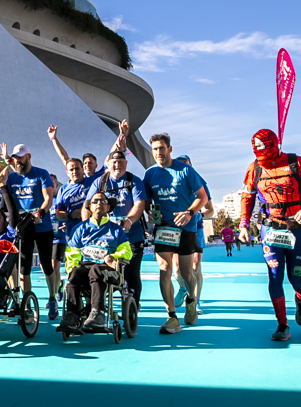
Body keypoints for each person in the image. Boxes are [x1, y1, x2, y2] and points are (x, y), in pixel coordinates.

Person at [237, 128, 301, 341]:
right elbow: (247, 198)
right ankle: (282, 324)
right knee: (275, 276)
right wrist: (244, 224)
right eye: (256, 150)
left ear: (274, 145)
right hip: (270, 229)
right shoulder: (254, 168)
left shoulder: (297, 163)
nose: (261, 155)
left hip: (296, 227)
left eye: (263, 149)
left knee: (297, 278)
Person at [142, 133, 208, 334]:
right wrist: (150, 213)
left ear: (169, 149)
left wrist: (189, 213)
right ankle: (171, 317)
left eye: (162, 148)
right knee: (164, 269)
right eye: (155, 149)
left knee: (186, 273)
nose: (158, 152)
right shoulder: (150, 174)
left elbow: (202, 197)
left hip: (186, 227)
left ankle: (191, 300)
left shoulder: (186, 170)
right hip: (163, 228)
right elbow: (147, 201)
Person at [0, 142, 58, 319]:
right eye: (14, 158)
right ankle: (27, 305)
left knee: (46, 265)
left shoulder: (41, 174)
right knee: (24, 268)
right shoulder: (12, 178)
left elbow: (48, 198)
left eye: (20, 157)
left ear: (28, 157)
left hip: (42, 226)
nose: (17, 161)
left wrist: (40, 212)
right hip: (23, 228)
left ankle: (52, 298)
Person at [83, 149, 148, 307]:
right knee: (99, 271)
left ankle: (132, 306)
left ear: (126, 163)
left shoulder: (134, 181)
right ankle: (97, 305)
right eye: (114, 162)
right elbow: (87, 206)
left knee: (131, 273)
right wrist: (87, 226)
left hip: (131, 236)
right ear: (108, 164)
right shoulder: (100, 182)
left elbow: (139, 204)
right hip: (106, 239)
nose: (117, 165)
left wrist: (129, 220)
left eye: (120, 162)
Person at [63, 192, 134, 328]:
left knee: (96, 270)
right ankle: (72, 315)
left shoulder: (116, 229)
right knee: (74, 273)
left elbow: (127, 251)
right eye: (95, 201)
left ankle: (98, 313)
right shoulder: (80, 229)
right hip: (85, 266)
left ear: (108, 207)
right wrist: (71, 268)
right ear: (90, 206)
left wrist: (113, 257)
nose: (99, 204)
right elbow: (72, 252)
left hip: (107, 269)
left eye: (103, 201)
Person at [174, 154, 213, 314]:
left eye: (186, 164)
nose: (184, 167)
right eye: (180, 164)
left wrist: (197, 214)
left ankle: (196, 301)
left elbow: (210, 210)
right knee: (177, 269)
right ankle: (183, 288)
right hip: (175, 226)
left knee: (196, 266)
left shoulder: (200, 182)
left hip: (195, 226)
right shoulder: (172, 182)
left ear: (191, 166)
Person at [47, 120, 129, 188]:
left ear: (96, 165)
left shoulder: (100, 175)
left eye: (90, 163)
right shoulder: (79, 177)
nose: (87, 165)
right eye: (85, 163)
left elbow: (111, 154)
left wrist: (122, 134)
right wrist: (53, 138)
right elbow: (64, 157)